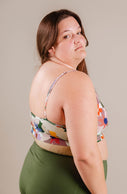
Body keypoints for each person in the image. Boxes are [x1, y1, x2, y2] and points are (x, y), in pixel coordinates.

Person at [19, 9, 108, 194]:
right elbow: (85, 156)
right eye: (67, 36)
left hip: (36, 170)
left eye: (78, 32)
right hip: (63, 181)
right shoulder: (75, 81)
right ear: (50, 46)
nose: (78, 40)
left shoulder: (45, 71)